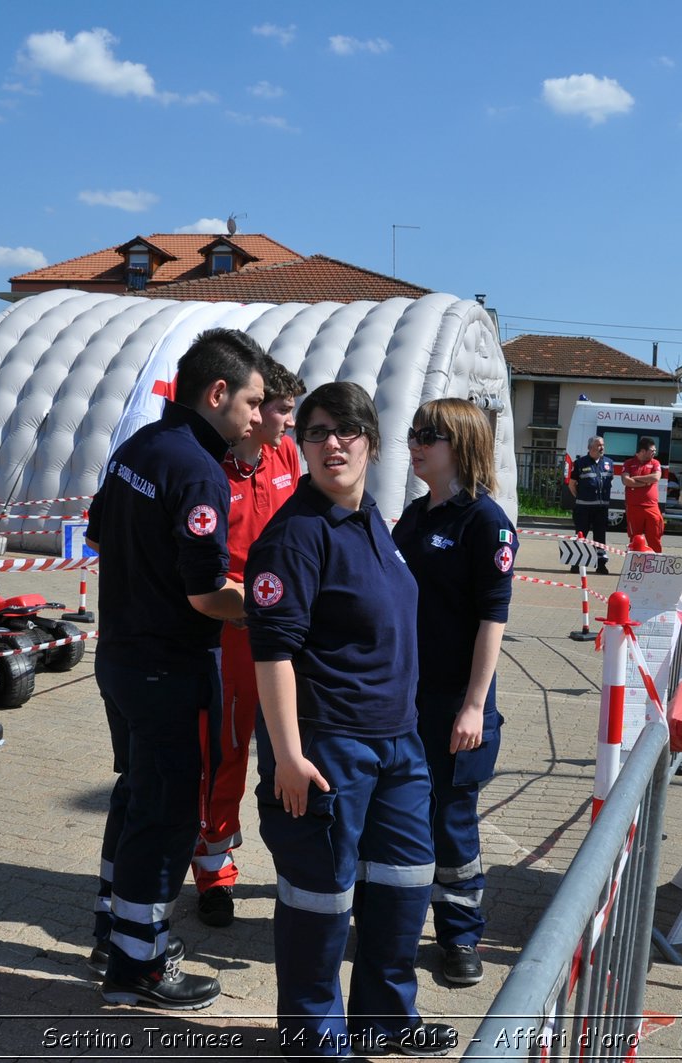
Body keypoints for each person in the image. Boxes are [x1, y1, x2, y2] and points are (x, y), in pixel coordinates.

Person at [246, 381, 456, 1060]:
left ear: (370, 439)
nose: (332, 443)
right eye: (316, 431)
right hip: (327, 749)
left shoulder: (374, 522)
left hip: (397, 746)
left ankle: (384, 1021)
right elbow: (272, 651)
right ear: (300, 443)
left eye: (346, 430)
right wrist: (286, 754)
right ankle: (315, 1041)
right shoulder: (294, 537)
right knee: (319, 902)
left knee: (403, 886)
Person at [85, 327, 265, 1010]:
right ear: (216, 393)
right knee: (165, 814)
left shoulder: (140, 446)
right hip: (168, 666)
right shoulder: (198, 471)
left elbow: (100, 532)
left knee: (136, 796)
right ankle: (140, 963)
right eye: (250, 401)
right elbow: (205, 593)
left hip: (120, 658)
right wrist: (267, 605)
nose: (256, 416)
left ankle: (114, 928)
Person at [392, 398, 515, 989]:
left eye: (430, 435)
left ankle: (461, 936)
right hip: (402, 699)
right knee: (399, 814)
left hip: (455, 703)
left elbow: (493, 621)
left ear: (461, 444)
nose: (416, 443)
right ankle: (395, 919)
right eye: (414, 433)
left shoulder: (485, 523)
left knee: (452, 821)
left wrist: (472, 706)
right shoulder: (413, 519)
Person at [190, 356, 306, 928]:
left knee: (292, 748)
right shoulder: (209, 466)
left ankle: (298, 864)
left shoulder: (286, 455)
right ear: (253, 411)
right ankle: (213, 871)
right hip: (230, 631)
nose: (288, 422)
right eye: (281, 410)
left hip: (284, 630)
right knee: (225, 750)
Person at [567, 435, 616, 573]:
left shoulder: (609, 463)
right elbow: (572, 484)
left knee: (600, 537)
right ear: (590, 448)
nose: (602, 448)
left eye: (603, 445)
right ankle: (575, 563)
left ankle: (601, 564)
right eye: (598, 445)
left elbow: (608, 482)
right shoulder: (580, 463)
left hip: (601, 508)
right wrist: (581, 498)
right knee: (581, 535)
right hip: (583, 508)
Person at [621, 436, 666, 553]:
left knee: (654, 538)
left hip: (652, 507)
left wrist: (636, 478)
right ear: (642, 451)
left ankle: (655, 566)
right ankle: (633, 567)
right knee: (635, 539)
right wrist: (646, 483)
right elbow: (626, 481)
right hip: (634, 507)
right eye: (652, 450)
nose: (654, 453)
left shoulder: (655, 463)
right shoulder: (629, 463)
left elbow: (655, 477)